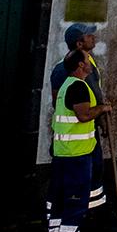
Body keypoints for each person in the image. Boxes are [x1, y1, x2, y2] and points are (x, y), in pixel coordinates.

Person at [48, 50, 111, 232]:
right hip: (77, 154)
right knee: (75, 200)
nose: (90, 61)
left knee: (59, 198)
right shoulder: (79, 87)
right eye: (86, 59)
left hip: (63, 152)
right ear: (80, 66)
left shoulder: (66, 86)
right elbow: (83, 115)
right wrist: (102, 108)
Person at [48, 23, 107, 221]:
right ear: (79, 43)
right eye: (89, 36)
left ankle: (91, 211)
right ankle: (68, 217)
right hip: (72, 138)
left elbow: (95, 94)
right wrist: (98, 111)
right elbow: (61, 104)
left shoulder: (90, 64)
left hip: (87, 132)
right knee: (73, 179)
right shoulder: (63, 70)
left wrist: (100, 120)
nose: (94, 38)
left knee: (94, 171)